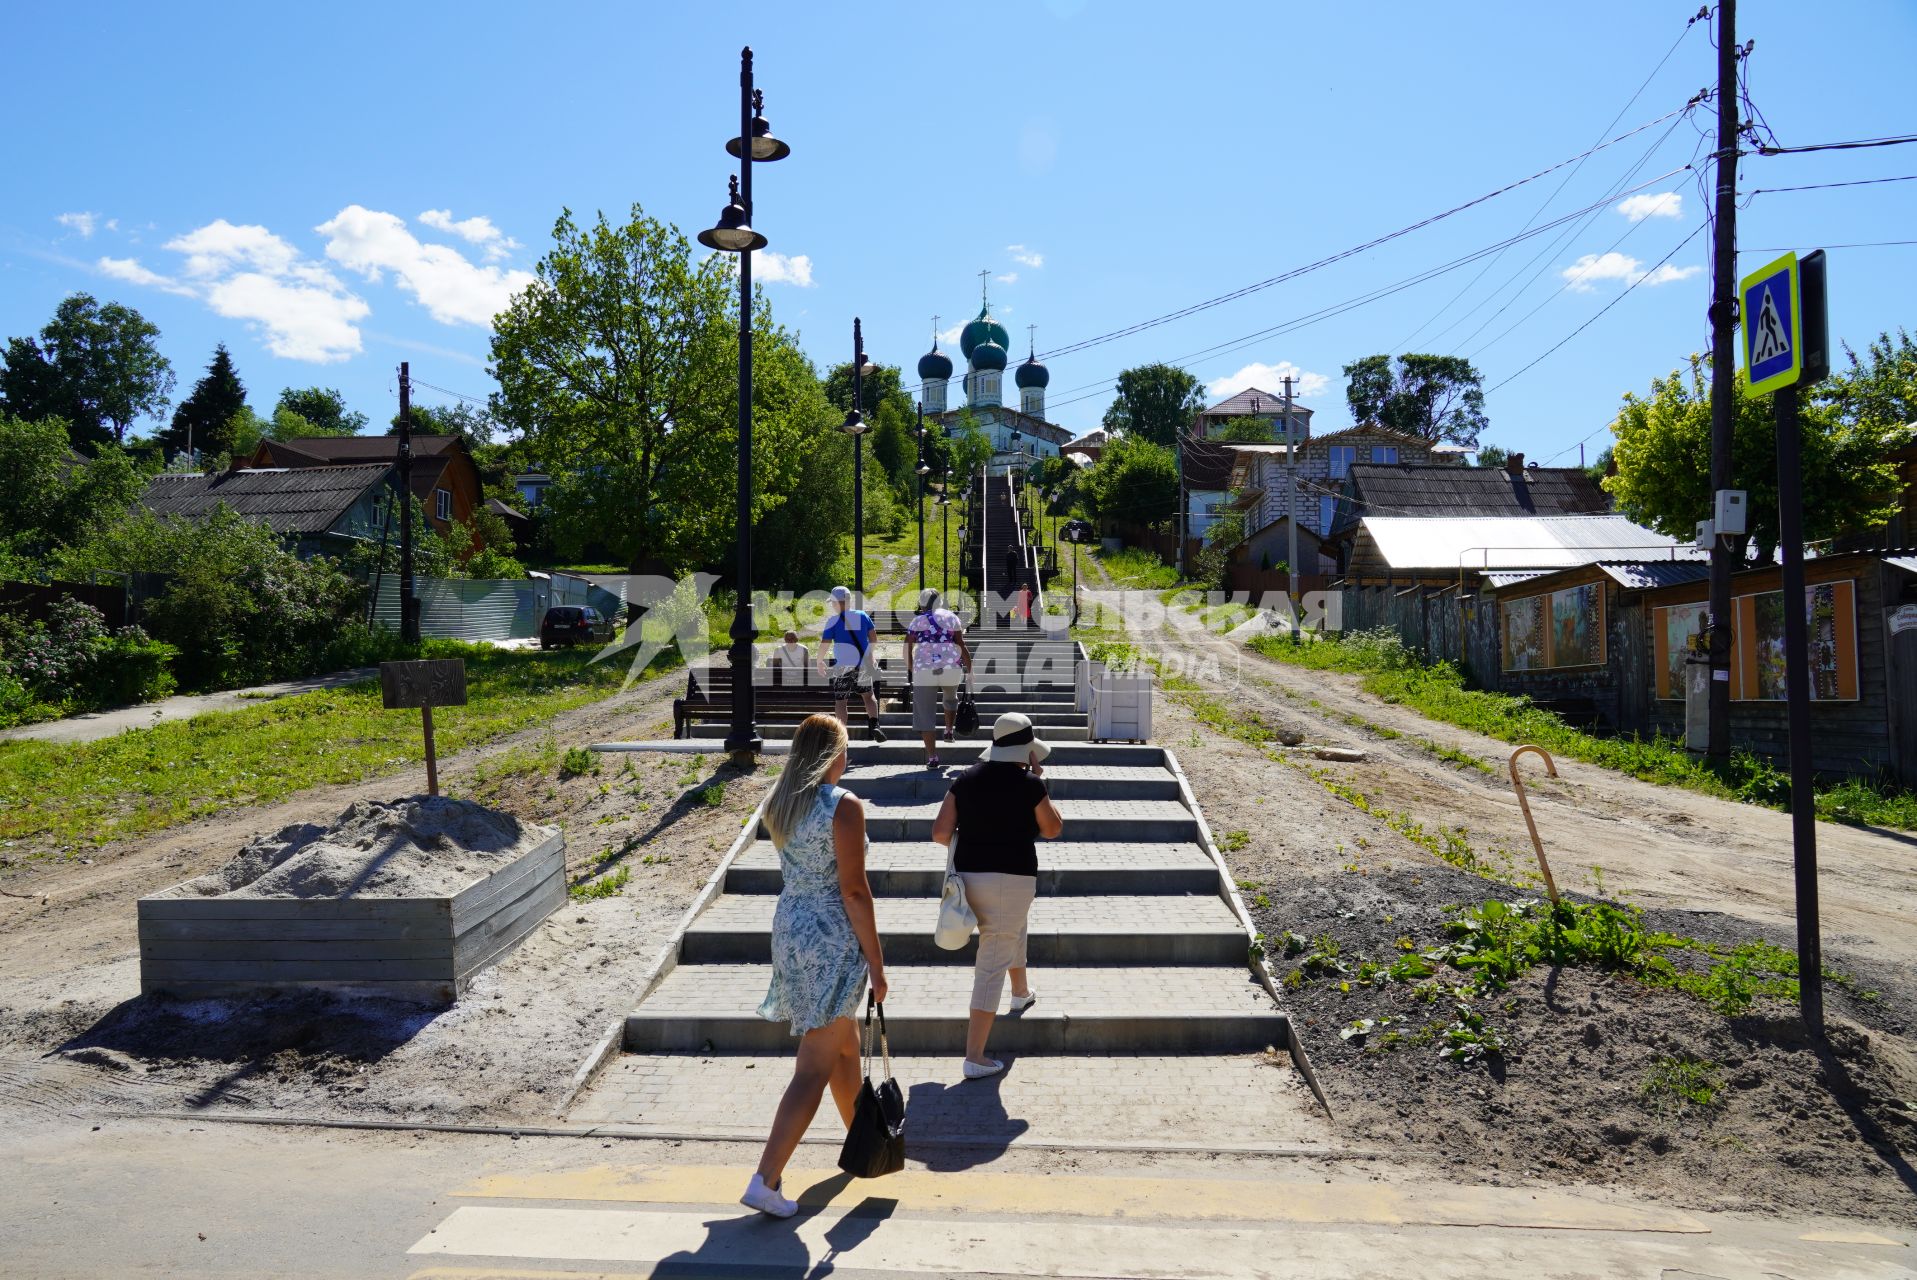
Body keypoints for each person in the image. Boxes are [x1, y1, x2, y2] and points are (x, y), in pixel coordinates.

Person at [742, 714, 888, 1219]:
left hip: (792, 927)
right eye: (845, 749)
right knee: (814, 1064)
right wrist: (876, 958)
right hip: (832, 937)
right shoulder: (843, 806)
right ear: (833, 754)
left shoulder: (780, 803)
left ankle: (862, 1148)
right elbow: (853, 889)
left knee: (842, 1047)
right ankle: (766, 1179)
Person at [929, 711, 1064, 1079]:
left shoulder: (965, 779)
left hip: (971, 877)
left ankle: (1020, 991)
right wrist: (1041, 783)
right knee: (992, 960)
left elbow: (940, 833)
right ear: (1027, 750)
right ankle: (975, 1056)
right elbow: (1052, 829)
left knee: (1010, 932)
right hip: (1013, 877)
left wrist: (974, 834)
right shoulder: (1030, 784)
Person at [903, 587, 971, 770]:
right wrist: (970, 668)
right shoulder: (951, 618)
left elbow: (907, 648)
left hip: (924, 670)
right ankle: (949, 730)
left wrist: (911, 668)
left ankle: (932, 757)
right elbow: (961, 644)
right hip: (950, 667)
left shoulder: (916, 622)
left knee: (925, 715)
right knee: (950, 698)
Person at [821, 585, 886, 743]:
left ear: (836, 602)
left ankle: (842, 735)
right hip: (862, 665)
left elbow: (825, 643)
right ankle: (874, 724)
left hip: (842, 667)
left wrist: (819, 660)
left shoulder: (832, 621)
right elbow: (873, 639)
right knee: (869, 697)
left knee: (841, 701)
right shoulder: (863, 616)